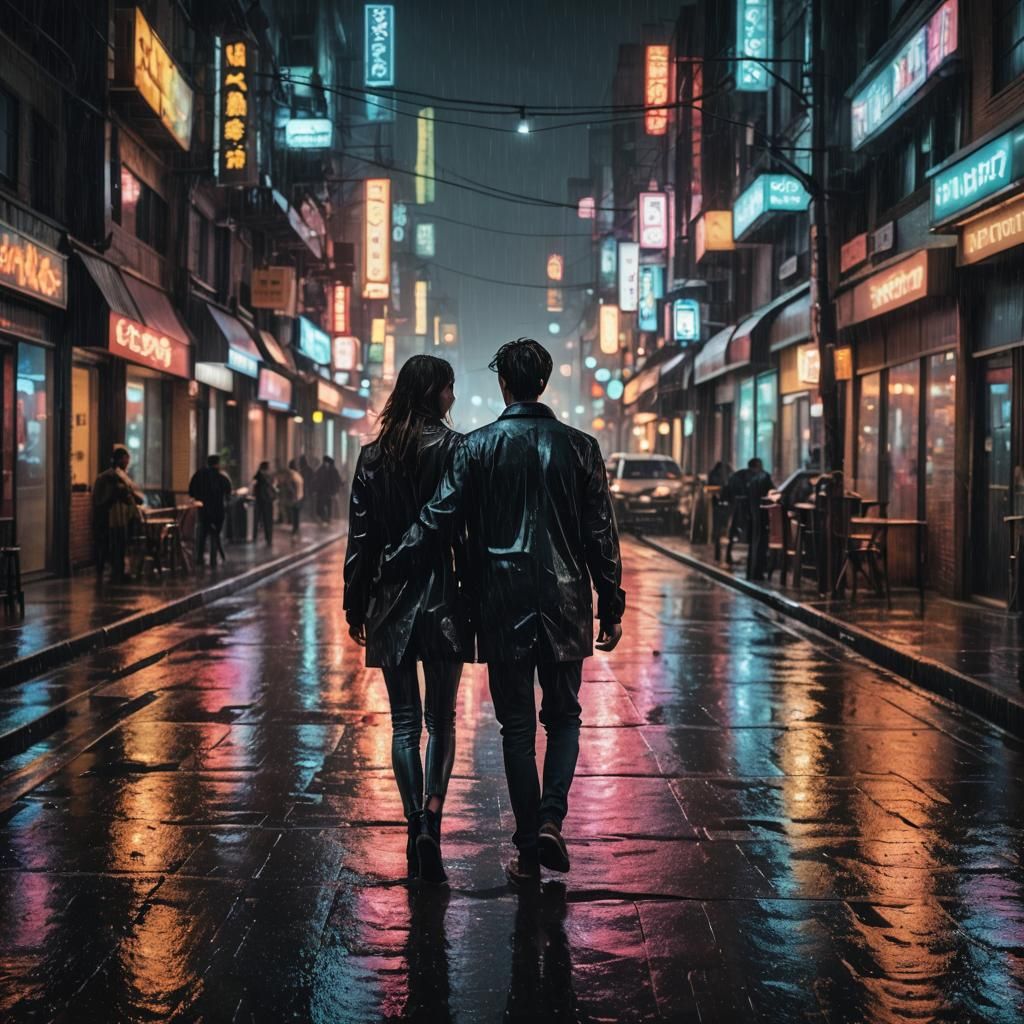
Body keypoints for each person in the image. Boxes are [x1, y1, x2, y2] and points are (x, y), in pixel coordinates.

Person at [382, 338, 625, 886]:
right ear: (544, 382)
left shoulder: (477, 447)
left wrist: (391, 561)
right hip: (566, 603)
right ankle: (551, 820)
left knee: (516, 728)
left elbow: (439, 517)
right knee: (564, 718)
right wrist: (610, 602)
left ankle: (528, 847)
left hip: (500, 606)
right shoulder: (581, 448)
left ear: (503, 384)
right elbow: (600, 534)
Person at [343, 355, 468, 885]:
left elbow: (360, 539)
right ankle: (433, 819)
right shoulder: (457, 449)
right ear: (434, 391)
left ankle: (413, 819)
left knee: (404, 723)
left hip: (389, 600)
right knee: (442, 721)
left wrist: (355, 604)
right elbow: (467, 532)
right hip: (444, 598)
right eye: (449, 387)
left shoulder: (372, 456)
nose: (453, 397)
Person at [92, 444, 144, 582]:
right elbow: (117, 494)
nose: (127, 463)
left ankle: (115, 571)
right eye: (126, 459)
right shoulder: (111, 476)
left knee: (116, 545)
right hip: (110, 518)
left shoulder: (119, 475)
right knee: (110, 545)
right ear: (120, 459)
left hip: (118, 517)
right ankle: (111, 572)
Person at [189, 455, 233, 568]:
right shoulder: (221, 477)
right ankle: (213, 559)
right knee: (215, 534)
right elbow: (228, 492)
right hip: (218, 511)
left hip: (203, 510)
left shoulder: (199, 475)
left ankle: (199, 558)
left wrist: (198, 497)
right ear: (217, 464)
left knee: (202, 534)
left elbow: (191, 491)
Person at [252, 461, 276, 545]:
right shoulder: (268, 476)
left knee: (257, 520)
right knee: (267, 521)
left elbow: (255, 484)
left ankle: (255, 537)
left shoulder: (259, 476)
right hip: (267, 500)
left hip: (261, 500)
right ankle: (268, 539)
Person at [314, 454, 343, 523]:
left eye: (327, 462)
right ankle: (324, 518)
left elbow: (337, 480)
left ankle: (327, 519)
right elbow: (317, 480)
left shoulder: (332, 470)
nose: (326, 463)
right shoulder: (321, 469)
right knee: (322, 505)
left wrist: (336, 489)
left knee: (328, 505)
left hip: (328, 491)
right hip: (323, 491)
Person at [280, 459, 305, 535]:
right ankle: (296, 528)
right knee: (296, 514)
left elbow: (289, 485)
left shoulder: (291, 474)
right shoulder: (298, 474)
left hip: (295, 497)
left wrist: (293, 493)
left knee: (295, 514)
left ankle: (295, 529)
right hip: (299, 496)